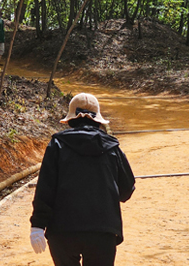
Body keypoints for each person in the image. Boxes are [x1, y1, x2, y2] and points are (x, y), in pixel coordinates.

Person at [30, 93, 136, 266]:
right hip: (103, 231)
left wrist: (37, 226)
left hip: (62, 231)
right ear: (98, 120)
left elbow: (45, 189)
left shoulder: (57, 145)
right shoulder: (112, 148)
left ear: (71, 119)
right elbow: (126, 191)